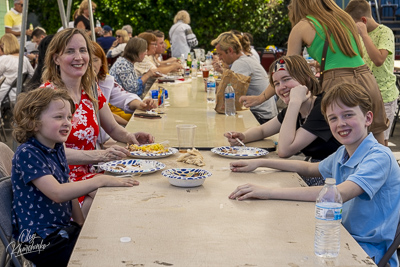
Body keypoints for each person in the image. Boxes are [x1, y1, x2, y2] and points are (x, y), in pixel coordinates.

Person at [229, 83, 400, 267]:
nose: (340, 123)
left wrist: (268, 192)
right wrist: (260, 162)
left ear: (367, 118)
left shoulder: (379, 157)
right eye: (333, 118)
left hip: (367, 253)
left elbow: (337, 194)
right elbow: (308, 168)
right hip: (340, 238)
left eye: (348, 115)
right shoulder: (343, 152)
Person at [11, 87, 138, 267]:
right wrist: (100, 180)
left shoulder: (56, 148)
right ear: (33, 122)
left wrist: (81, 224)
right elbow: (58, 193)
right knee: (105, 254)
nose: (67, 122)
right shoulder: (28, 153)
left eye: (69, 117)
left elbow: (66, 184)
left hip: (61, 232)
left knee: (110, 239)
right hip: (39, 241)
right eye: (58, 117)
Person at [240, 0, 389, 145]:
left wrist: (261, 98)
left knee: (345, 138)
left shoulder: (302, 27)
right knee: (376, 132)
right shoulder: (345, 18)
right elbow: (356, 53)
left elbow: (288, 69)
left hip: (337, 82)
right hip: (366, 77)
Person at [41, 28, 154, 214]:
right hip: (60, 182)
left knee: (137, 191)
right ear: (55, 58)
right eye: (70, 51)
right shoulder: (47, 96)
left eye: (83, 50)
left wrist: (130, 136)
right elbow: (47, 153)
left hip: (92, 174)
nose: (79, 57)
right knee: (112, 206)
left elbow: (112, 128)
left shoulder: (91, 89)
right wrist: (100, 155)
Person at [225, 55, 340, 185]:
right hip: (315, 168)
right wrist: (243, 137)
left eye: (286, 79)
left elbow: (284, 151)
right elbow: (262, 130)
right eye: (277, 83)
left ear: (306, 79)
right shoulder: (296, 109)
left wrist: (294, 103)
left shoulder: (322, 108)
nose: (281, 87)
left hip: (335, 177)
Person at [345, 0, 398, 147]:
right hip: (366, 94)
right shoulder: (361, 37)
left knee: (381, 140)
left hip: (384, 95)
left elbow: (378, 60)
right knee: (367, 138)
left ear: (363, 21)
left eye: (353, 25)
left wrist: (364, 35)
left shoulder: (384, 32)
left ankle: (384, 168)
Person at [211, 31, 278, 124]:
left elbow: (229, 96)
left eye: (220, 54)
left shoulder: (241, 64)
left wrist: (213, 88)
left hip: (260, 117)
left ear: (230, 50)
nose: (220, 58)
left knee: (218, 124)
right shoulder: (245, 59)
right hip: (265, 114)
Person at [92, 41, 156, 136]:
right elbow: (133, 88)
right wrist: (148, 74)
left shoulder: (105, 80)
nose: (89, 64)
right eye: (144, 51)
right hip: (115, 115)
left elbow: (124, 96)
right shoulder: (123, 64)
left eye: (95, 60)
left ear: (102, 62)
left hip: (105, 132)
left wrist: (141, 104)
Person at [0, 33, 34, 107]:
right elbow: (32, 75)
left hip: (4, 94)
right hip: (20, 93)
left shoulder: (4, 59)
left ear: (3, 45)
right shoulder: (24, 59)